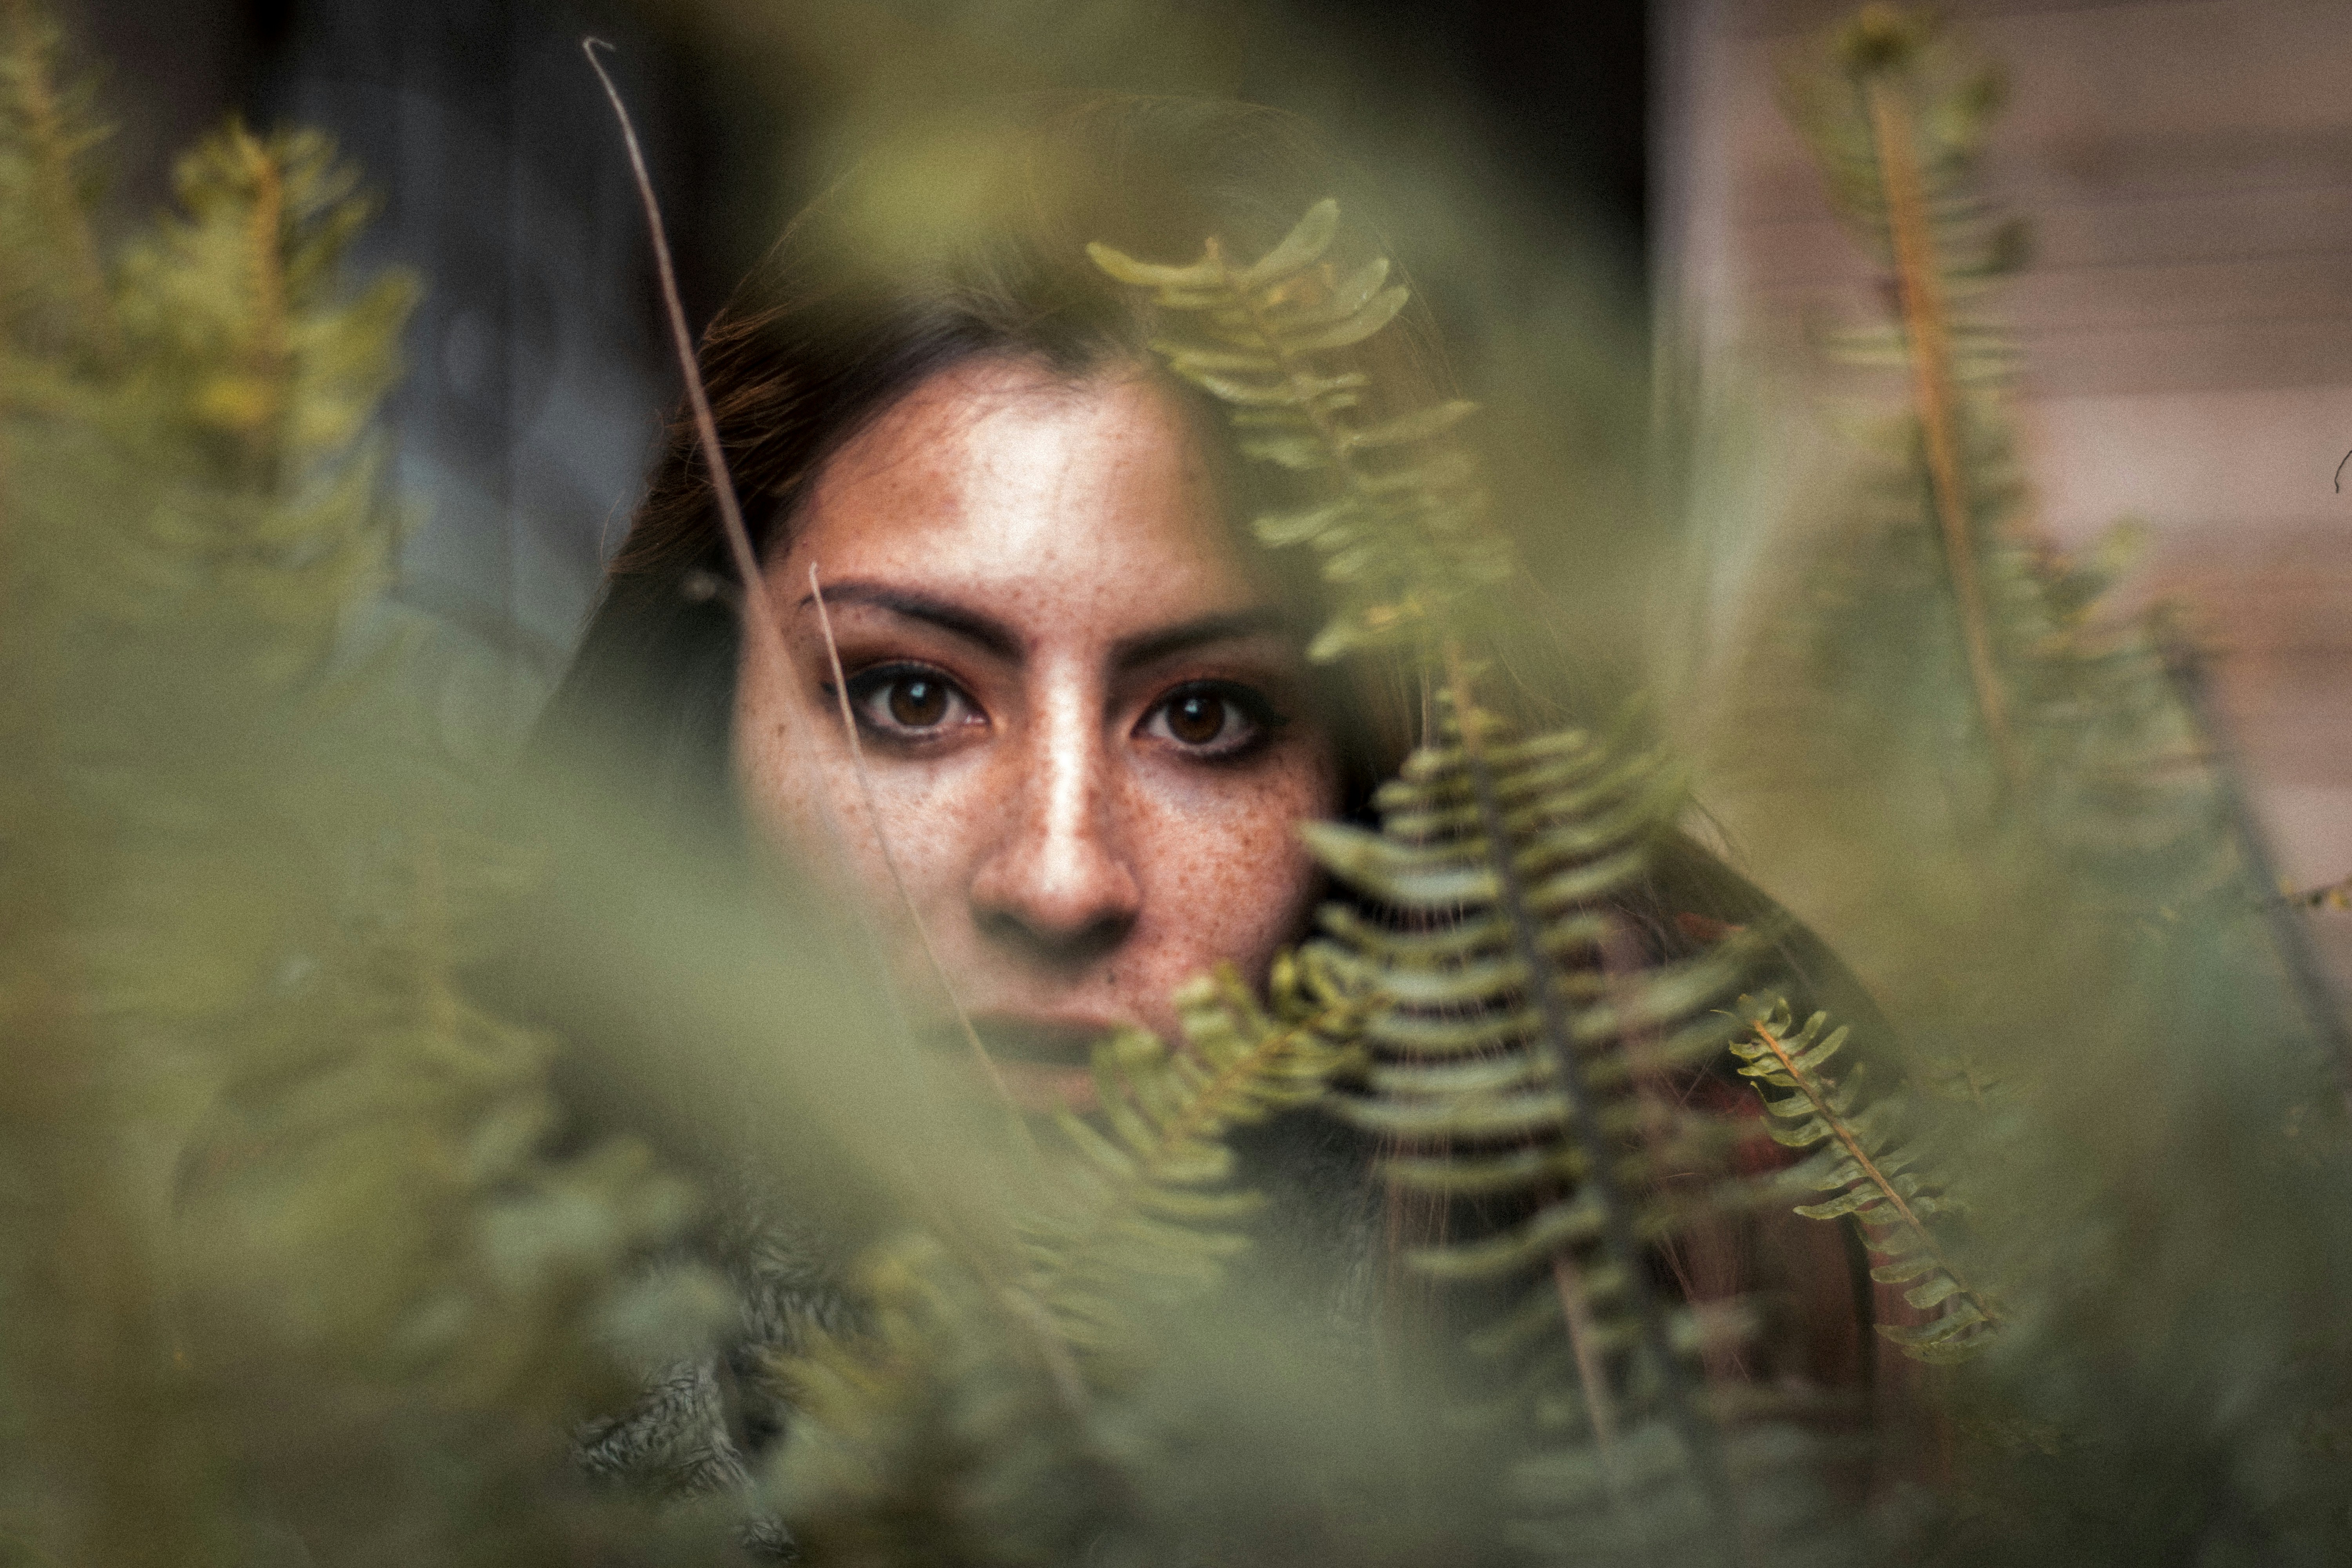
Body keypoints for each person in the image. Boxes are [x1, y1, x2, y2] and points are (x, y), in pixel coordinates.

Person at [535, 93, 1881, 1526]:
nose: (1059, 880)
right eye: (910, 698)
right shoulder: (404, 1327)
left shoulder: (1724, 1297)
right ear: (703, 686)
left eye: (1205, 717)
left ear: (1375, 765)